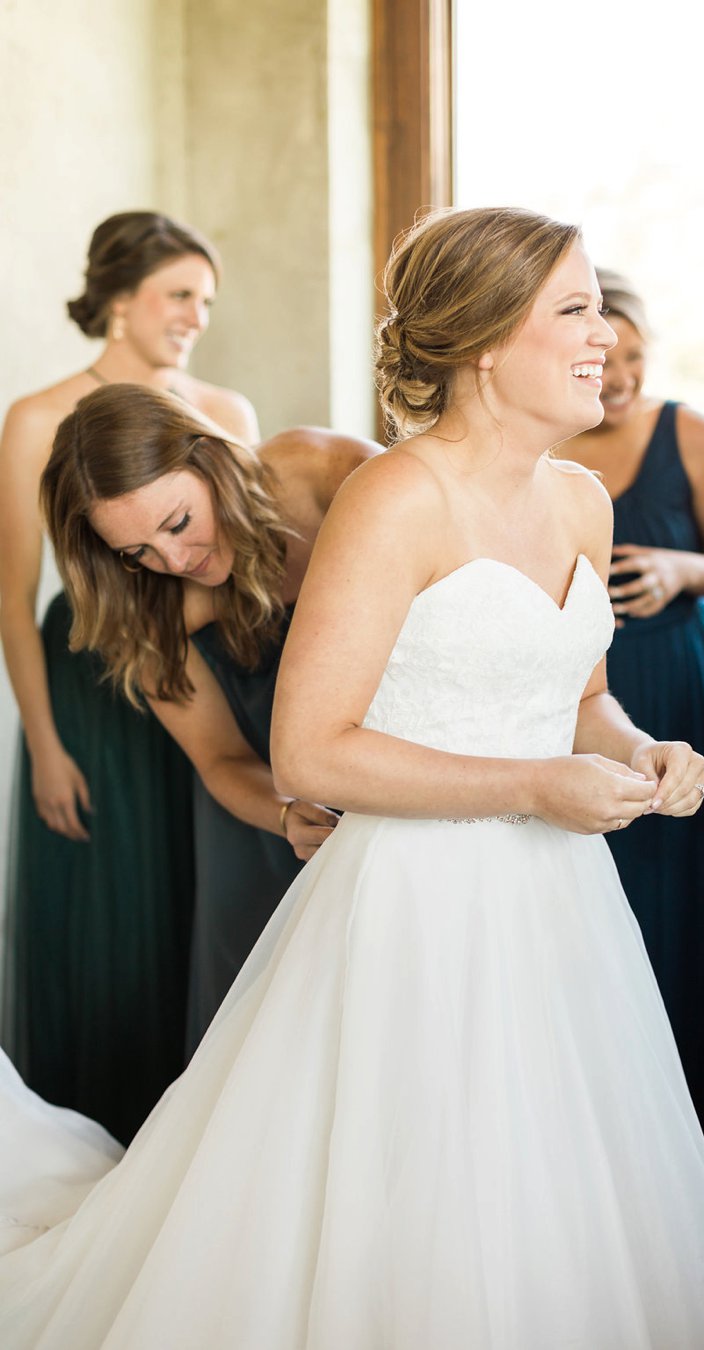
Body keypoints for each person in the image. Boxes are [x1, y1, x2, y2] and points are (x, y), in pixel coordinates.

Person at [0, 207, 704, 1349]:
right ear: (483, 343)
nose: (601, 332)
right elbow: (292, 754)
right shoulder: (393, 498)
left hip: (556, 903)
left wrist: (636, 746)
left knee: (551, 1172)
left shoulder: (579, 499)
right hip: (410, 879)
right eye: (572, 308)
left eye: (593, 306)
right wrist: (534, 787)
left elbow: (578, 697)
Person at [0, 211, 258, 1142]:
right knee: (112, 921)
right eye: (179, 294)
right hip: (94, 686)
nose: (196, 314)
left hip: (209, 683)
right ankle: (102, 1136)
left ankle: (202, 1138)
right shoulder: (36, 418)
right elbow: (14, 598)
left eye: (206, 300)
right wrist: (45, 746)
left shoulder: (225, 414)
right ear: (119, 298)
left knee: (204, 898)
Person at [40, 387, 381, 1046]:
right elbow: (220, 758)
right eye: (134, 552)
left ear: (211, 459)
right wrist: (286, 813)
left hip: (397, 775)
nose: (174, 562)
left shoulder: (322, 473)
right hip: (264, 820)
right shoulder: (148, 609)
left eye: (176, 523)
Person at [564, 270, 704, 1195]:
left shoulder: (690, 433)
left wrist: (682, 570)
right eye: (611, 357)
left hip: (678, 682)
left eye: (639, 356)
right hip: (574, 697)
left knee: (687, 897)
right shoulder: (547, 441)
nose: (626, 376)